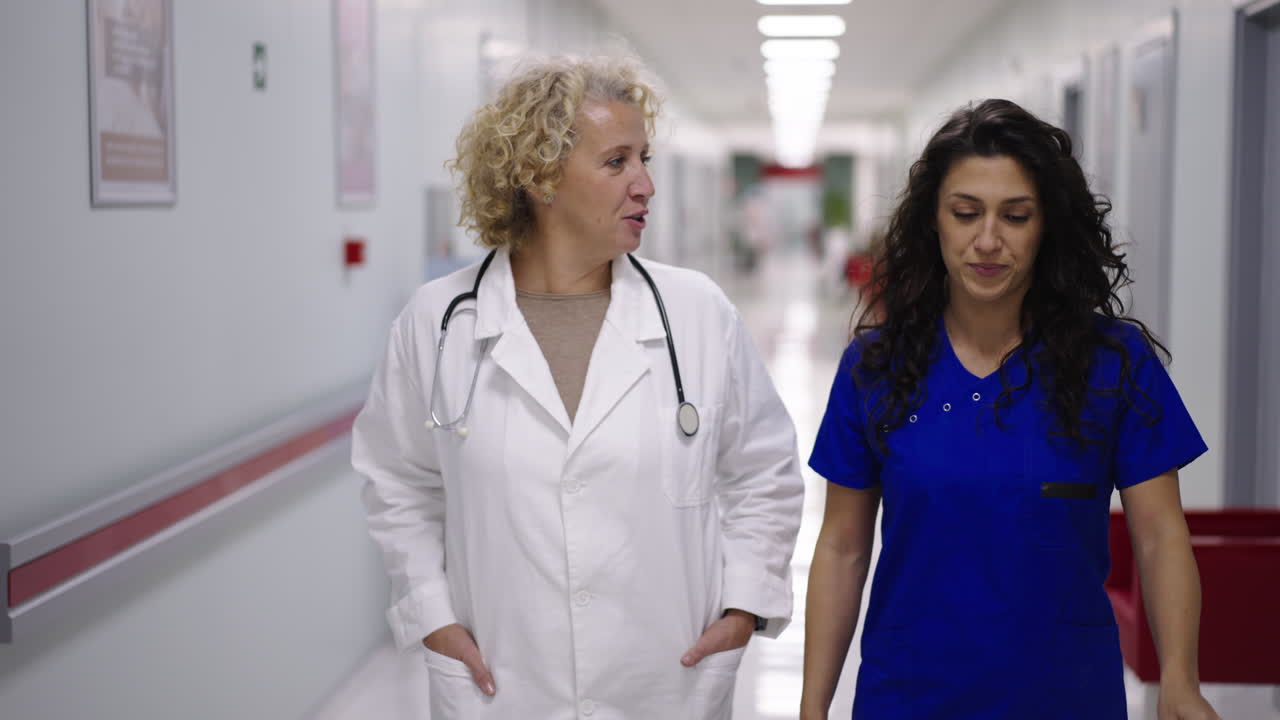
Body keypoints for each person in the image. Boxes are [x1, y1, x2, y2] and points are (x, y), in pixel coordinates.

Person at [351, 55, 804, 719]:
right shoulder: (437, 323)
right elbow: (398, 485)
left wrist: (742, 608)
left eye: (644, 158)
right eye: (617, 161)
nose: (647, 184)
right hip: (503, 683)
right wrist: (432, 617)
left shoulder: (696, 314)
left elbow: (764, 473)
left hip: (666, 680)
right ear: (539, 175)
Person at [801, 99, 1221, 719]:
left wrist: (1180, 678)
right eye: (965, 213)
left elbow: (1159, 535)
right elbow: (842, 547)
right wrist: (812, 707)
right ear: (933, 223)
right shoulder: (876, 367)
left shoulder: (1113, 363)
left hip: (1065, 697)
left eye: (1016, 216)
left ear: (1047, 224)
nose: (988, 241)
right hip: (910, 696)